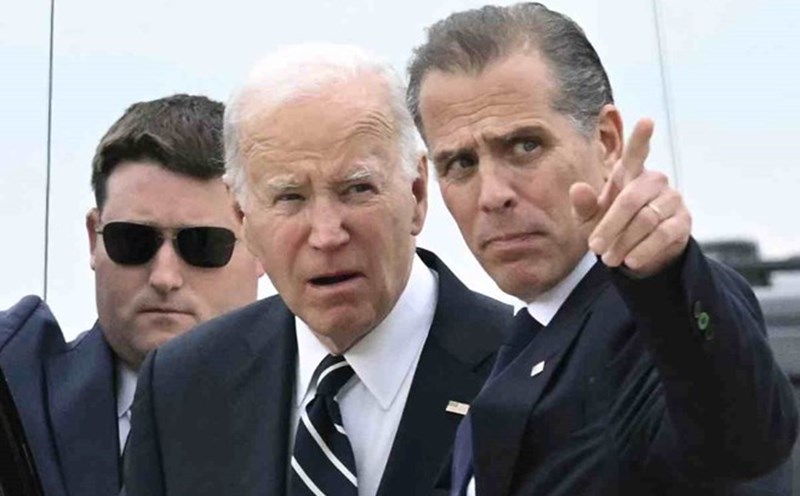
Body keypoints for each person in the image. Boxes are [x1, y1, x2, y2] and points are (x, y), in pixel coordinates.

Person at [406, 3, 798, 495]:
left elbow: (744, 441)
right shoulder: (517, 343)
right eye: (460, 163)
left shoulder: (651, 317)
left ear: (608, 141)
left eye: (524, 146)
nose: (492, 195)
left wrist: (666, 276)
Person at [124, 44, 510, 496]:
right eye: (290, 198)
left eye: (357, 189)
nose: (327, 235)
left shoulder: (522, 369)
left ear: (418, 193)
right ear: (242, 217)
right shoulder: (182, 384)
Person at [0, 94, 262, 496]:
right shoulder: (15, 391)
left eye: (203, 245)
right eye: (133, 241)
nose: (165, 276)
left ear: (262, 244)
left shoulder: (319, 416)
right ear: (94, 238)